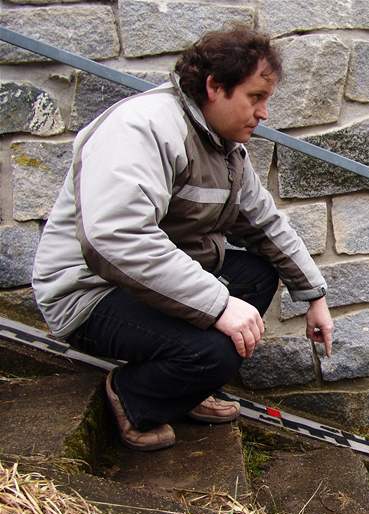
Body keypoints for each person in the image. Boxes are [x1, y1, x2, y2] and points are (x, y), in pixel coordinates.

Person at [32, 26, 334, 451]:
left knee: (257, 274)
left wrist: (315, 297)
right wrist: (219, 306)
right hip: (88, 293)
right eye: (255, 98)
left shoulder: (227, 150)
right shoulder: (142, 127)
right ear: (215, 87)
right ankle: (133, 396)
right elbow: (116, 239)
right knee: (217, 351)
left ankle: (186, 389)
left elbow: (265, 225)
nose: (264, 114)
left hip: (145, 283)